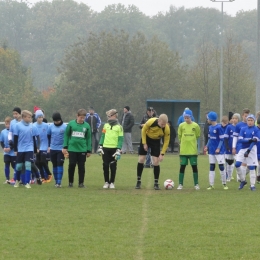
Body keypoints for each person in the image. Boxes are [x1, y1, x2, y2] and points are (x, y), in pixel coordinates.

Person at [135, 114, 170, 190]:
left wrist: (162, 153)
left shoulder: (166, 128)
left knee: (156, 161)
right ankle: (138, 181)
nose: (163, 126)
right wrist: (144, 143)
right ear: (159, 121)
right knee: (141, 159)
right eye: (162, 124)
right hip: (146, 138)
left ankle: (156, 183)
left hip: (156, 142)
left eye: (165, 124)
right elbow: (143, 130)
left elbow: (166, 141)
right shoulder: (151, 121)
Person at [63, 109, 92, 188]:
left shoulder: (87, 126)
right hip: (72, 148)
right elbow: (66, 135)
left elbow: (88, 138)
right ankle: (70, 182)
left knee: (81, 166)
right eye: (81, 117)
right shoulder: (71, 124)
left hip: (82, 149)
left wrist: (88, 150)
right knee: (72, 165)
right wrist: (65, 146)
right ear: (77, 116)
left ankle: (81, 183)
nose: (82, 119)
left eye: (83, 118)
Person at [13, 110, 40, 188]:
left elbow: (36, 139)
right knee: (19, 166)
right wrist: (15, 150)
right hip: (20, 149)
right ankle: (17, 180)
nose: (31, 119)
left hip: (29, 149)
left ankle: (27, 183)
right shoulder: (17, 126)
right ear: (24, 117)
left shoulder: (32, 126)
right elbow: (15, 138)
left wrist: (36, 149)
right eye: (29, 117)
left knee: (28, 165)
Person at [97, 109, 123, 189]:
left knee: (113, 165)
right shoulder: (106, 125)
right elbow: (103, 136)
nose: (108, 118)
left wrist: (118, 149)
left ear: (114, 116)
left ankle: (112, 182)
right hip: (105, 148)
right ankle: (106, 182)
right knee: (105, 165)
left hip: (114, 148)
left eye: (109, 116)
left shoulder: (119, 127)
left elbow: (120, 139)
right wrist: (100, 146)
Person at [177, 109, 200, 190]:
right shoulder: (181, 126)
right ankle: (180, 184)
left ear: (191, 117)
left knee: (194, 167)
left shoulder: (196, 126)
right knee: (182, 167)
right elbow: (179, 136)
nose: (186, 119)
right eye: (185, 118)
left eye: (187, 118)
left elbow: (197, 135)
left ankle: (196, 184)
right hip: (183, 151)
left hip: (192, 151)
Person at [204, 111, 228, 190]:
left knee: (221, 167)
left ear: (211, 119)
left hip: (219, 151)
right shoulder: (209, 127)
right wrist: (206, 146)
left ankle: (224, 183)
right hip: (211, 150)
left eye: (208, 118)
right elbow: (210, 139)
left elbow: (221, 139)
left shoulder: (219, 127)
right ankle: (211, 184)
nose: (207, 120)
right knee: (211, 166)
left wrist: (218, 148)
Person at [235, 114, 258, 191]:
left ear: (254, 121)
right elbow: (240, 140)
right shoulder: (243, 129)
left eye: (251, 120)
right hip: (242, 149)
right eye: (248, 120)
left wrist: (248, 150)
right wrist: (249, 140)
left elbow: (254, 142)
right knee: (237, 164)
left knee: (251, 167)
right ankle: (243, 180)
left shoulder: (256, 129)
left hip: (251, 149)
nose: (250, 122)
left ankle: (252, 185)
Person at [47, 112, 67, 188]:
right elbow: (48, 136)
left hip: (61, 149)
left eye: (58, 121)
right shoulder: (50, 126)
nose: (56, 122)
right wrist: (49, 146)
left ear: (60, 119)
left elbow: (67, 138)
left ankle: (59, 182)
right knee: (54, 164)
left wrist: (65, 147)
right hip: (53, 149)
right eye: (55, 121)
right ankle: (56, 181)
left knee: (60, 163)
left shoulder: (65, 127)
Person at [33, 110, 52, 182]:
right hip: (37, 147)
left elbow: (50, 136)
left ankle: (49, 174)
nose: (41, 118)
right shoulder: (33, 125)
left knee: (43, 161)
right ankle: (43, 177)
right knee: (37, 162)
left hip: (45, 146)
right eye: (39, 117)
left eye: (41, 117)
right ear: (36, 118)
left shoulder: (46, 126)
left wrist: (49, 146)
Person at [232, 108, 250, 181]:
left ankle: (241, 177)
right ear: (242, 116)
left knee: (251, 165)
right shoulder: (239, 125)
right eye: (245, 116)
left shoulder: (251, 125)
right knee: (242, 163)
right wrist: (233, 147)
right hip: (240, 146)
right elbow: (235, 137)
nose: (247, 117)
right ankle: (241, 179)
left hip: (249, 147)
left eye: (248, 116)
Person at [223, 113, 240, 181]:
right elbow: (225, 138)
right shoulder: (229, 127)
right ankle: (229, 177)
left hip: (238, 148)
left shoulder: (240, 127)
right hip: (230, 148)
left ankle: (239, 178)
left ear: (238, 119)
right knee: (229, 163)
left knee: (238, 163)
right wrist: (227, 146)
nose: (234, 120)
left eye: (235, 118)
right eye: (233, 118)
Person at [0, 117, 16, 184]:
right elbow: (1, 141)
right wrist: (4, 148)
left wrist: (10, 148)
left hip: (13, 152)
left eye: (9, 124)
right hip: (6, 153)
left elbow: (15, 142)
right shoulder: (3, 132)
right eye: (6, 124)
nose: (7, 125)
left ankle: (16, 178)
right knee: (7, 165)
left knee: (14, 165)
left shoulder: (14, 132)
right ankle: (7, 179)